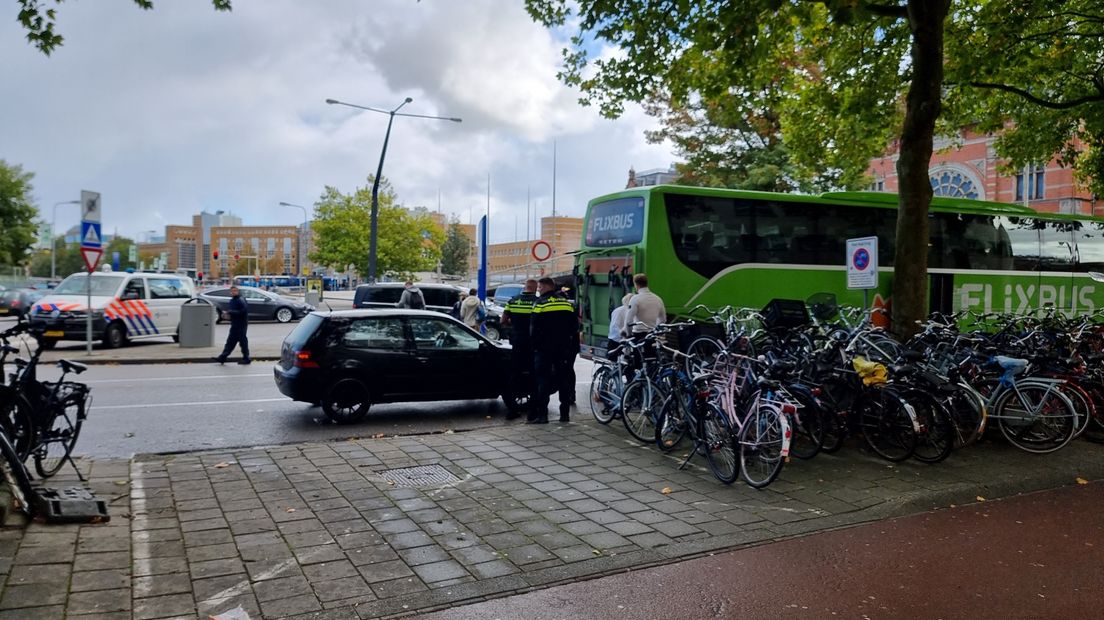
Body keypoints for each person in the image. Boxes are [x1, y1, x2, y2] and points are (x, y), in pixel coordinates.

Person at [530, 277, 579, 423]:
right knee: (563, 379)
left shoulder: (539, 304)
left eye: (539, 287)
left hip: (544, 349)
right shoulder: (566, 304)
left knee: (543, 380)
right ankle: (564, 414)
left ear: (545, 287)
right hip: (563, 348)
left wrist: (535, 347)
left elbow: (533, 329)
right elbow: (574, 327)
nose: (538, 290)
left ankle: (543, 415)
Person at [502, 280, 539, 420]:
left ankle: (512, 410)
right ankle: (532, 411)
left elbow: (503, 321)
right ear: (534, 288)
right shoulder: (537, 302)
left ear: (525, 287)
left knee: (515, 375)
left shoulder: (513, 301)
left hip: (517, 342)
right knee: (534, 375)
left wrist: (515, 324)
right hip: (533, 344)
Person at [622, 273, 667, 340]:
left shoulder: (635, 299)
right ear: (646, 283)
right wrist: (655, 329)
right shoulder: (658, 299)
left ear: (636, 285)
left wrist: (629, 335)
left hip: (638, 334)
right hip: (652, 334)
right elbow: (663, 319)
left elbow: (629, 321)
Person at [216, 286, 250, 365]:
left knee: (243, 341)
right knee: (230, 342)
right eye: (232, 291)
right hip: (235, 324)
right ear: (230, 292)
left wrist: (230, 312)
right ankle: (222, 357)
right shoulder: (232, 301)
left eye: (235, 291)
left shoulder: (240, 300)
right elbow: (233, 312)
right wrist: (227, 315)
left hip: (241, 324)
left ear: (238, 292)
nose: (234, 292)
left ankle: (246, 358)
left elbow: (243, 311)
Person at [607, 292, 633, 363]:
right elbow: (615, 327)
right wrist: (625, 336)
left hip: (621, 340)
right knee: (616, 362)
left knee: (619, 362)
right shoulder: (619, 311)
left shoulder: (629, 311)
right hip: (617, 340)